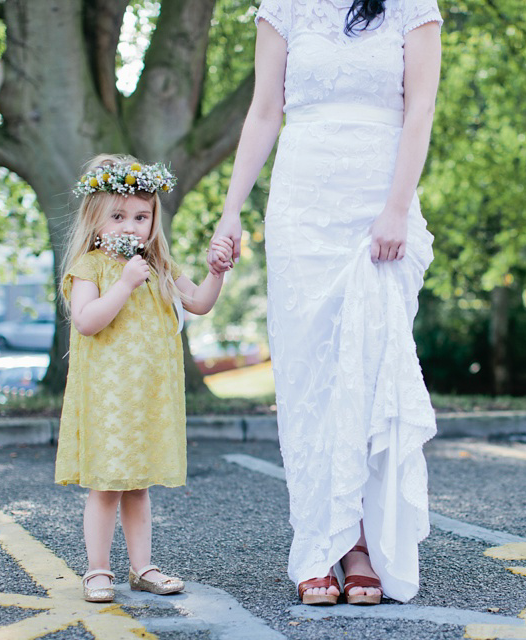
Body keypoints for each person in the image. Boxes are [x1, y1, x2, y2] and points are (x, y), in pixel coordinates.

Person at [209, 0, 443, 606]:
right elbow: (264, 112)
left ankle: (363, 546)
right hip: (303, 200)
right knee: (310, 374)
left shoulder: (412, 7)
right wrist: (232, 209)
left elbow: (420, 108)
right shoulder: (280, 8)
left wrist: (396, 206)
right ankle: (320, 544)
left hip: (378, 195)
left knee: (368, 371)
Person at [55, 154, 233, 603]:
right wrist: (124, 284)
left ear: (154, 219)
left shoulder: (159, 265)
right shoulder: (91, 267)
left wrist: (216, 274)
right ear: (95, 220)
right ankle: (98, 570)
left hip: (148, 396)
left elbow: (199, 303)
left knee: (138, 485)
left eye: (141, 216)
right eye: (118, 216)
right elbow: (86, 320)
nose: (131, 226)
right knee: (106, 485)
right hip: (106, 397)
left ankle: (142, 567)